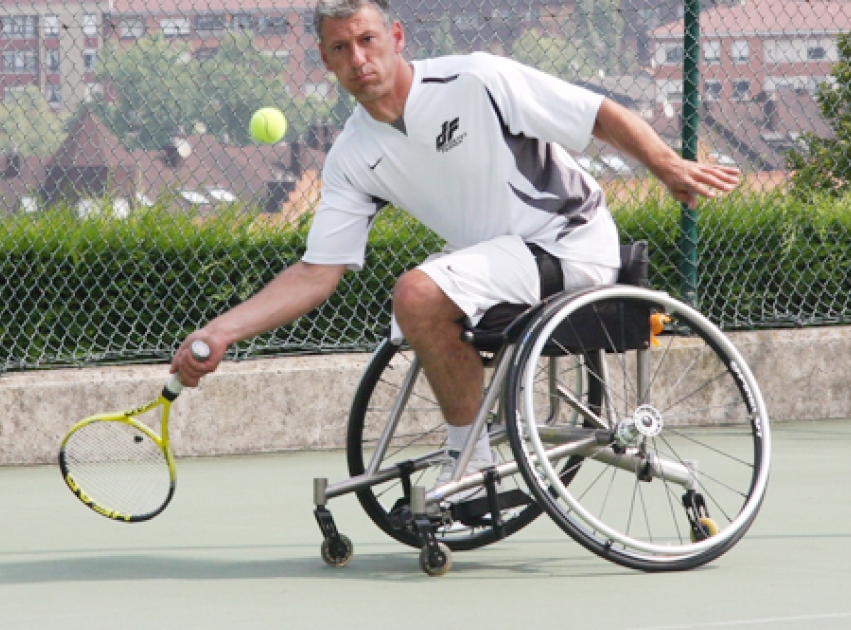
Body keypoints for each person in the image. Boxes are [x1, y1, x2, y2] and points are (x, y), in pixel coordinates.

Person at [171, 0, 741, 494]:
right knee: (418, 304)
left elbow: (595, 114)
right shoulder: (351, 156)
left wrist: (667, 166)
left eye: (368, 40)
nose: (359, 60)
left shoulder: (476, 80)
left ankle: (468, 460)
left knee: (416, 293)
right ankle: (471, 454)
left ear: (395, 38)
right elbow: (317, 271)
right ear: (325, 60)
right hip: (507, 261)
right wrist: (220, 331)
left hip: (572, 244)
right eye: (341, 48)